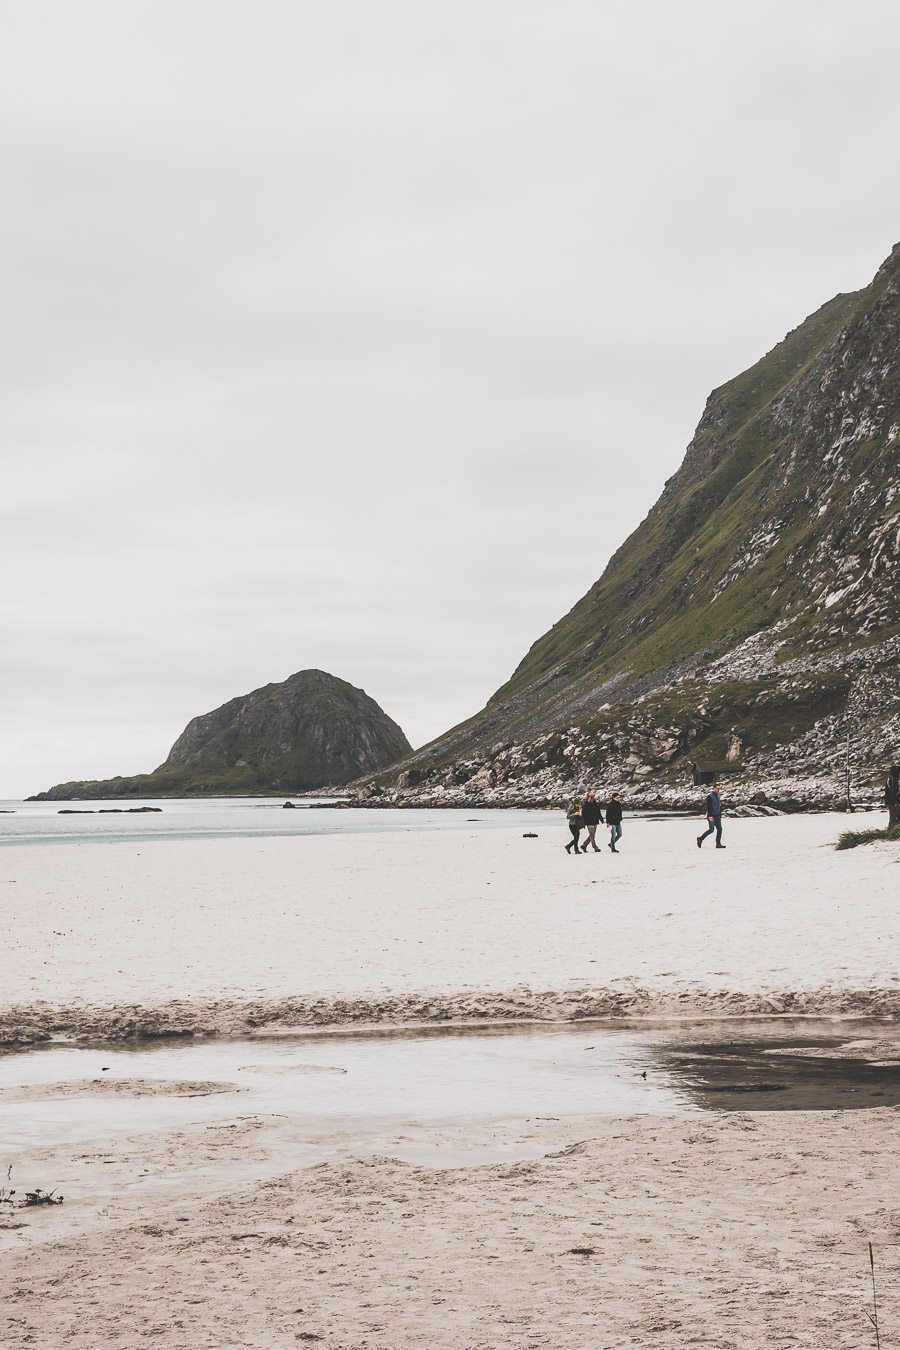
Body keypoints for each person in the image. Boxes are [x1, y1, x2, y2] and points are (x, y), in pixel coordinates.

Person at [697, 783, 725, 848]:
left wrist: (720, 814)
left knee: (720, 829)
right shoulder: (710, 796)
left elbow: (718, 806)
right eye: (717, 788)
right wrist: (710, 816)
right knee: (711, 829)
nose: (718, 790)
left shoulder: (718, 795)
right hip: (711, 816)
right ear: (714, 788)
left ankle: (718, 844)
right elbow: (709, 806)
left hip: (717, 815)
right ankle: (700, 838)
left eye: (719, 788)